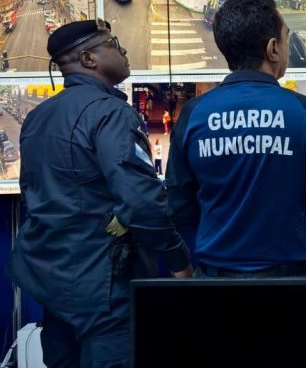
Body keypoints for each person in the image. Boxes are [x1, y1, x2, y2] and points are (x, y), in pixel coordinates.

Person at [6, 20, 192, 368]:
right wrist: (179, 263)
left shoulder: (38, 117)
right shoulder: (111, 114)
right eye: (114, 44)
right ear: (89, 59)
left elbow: (36, 196)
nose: (123, 50)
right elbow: (141, 200)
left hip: (53, 283)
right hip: (105, 288)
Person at [165, 0, 306, 279]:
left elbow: (179, 207)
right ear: (273, 48)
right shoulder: (304, 113)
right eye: (286, 37)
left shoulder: (194, 113)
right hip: (293, 285)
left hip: (214, 284)